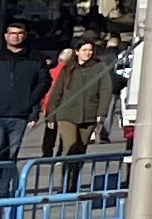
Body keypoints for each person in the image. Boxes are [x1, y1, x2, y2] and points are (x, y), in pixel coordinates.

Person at [41, 30, 121, 160]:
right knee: (70, 147)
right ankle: (66, 176)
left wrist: (102, 113)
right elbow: (57, 92)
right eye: (84, 50)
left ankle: (74, 177)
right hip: (67, 115)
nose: (88, 53)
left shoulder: (100, 68)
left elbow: (105, 91)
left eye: (90, 50)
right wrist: (51, 115)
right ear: (77, 52)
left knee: (80, 149)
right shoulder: (67, 69)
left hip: (89, 116)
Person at [0, 24, 49, 166]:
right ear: (6, 36)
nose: (15, 36)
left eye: (19, 33)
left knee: (12, 152)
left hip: (19, 115)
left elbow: (44, 82)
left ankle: (5, 186)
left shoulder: (35, 58)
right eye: (12, 33)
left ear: (25, 35)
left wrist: (29, 101)